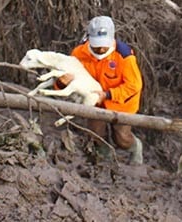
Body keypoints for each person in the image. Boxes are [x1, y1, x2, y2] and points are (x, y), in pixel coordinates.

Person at [58, 16, 144, 164]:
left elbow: (134, 86)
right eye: (97, 44)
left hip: (122, 104)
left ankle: (135, 147)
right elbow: (66, 80)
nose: (101, 48)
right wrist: (61, 83)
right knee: (96, 134)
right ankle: (105, 159)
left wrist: (108, 95)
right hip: (94, 103)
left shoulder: (124, 56)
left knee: (122, 138)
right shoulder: (78, 54)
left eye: (104, 44)